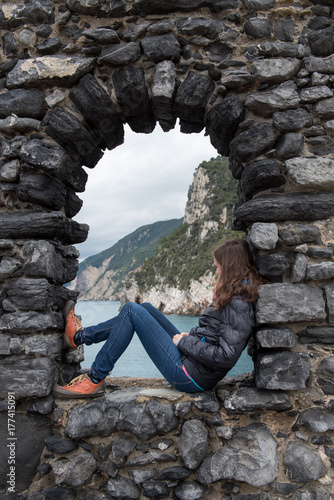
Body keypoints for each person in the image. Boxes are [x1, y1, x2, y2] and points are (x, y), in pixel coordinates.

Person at [53, 238, 264, 398]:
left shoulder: (238, 302)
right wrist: (188, 339)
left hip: (189, 376)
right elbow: (213, 336)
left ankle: (93, 378)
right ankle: (78, 337)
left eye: (218, 267)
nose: (216, 271)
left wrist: (185, 342)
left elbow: (226, 356)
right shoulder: (235, 294)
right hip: (192, 362)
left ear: (229, 268)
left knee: (130, 310)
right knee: (143, 307)